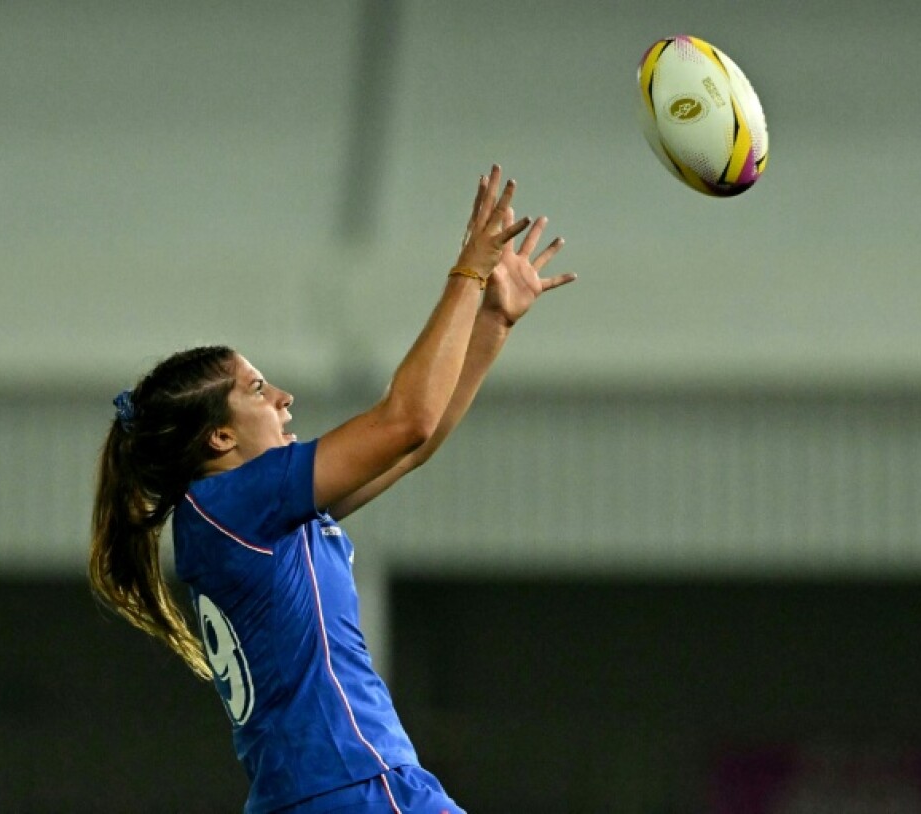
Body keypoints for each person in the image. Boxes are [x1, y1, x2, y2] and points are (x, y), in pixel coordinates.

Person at [88, 166, 574, 814]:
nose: (283, 397)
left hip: (309, 795)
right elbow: (406, 421)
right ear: (220, 438)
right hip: (357, 786)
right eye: (257, 389)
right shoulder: (234, 502)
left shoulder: (234, 517)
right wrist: (469, 274)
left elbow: (414, 444)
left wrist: (493, 322)